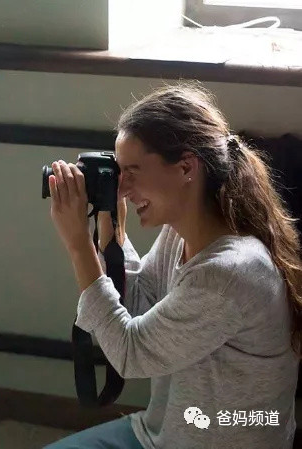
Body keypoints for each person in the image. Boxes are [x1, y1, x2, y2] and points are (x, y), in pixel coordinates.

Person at [44, 83, 301, 449]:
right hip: (160, 435)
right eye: (119, 172)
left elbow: (130, 353)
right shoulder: (180, 234)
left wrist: (77, 245)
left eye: (133, 170)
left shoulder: (229, 273)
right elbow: (140, 303)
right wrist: (109, 223)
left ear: (185, 167)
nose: (125, 186)